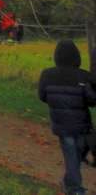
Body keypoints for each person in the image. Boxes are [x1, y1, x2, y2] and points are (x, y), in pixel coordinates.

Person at [39, 39, 96, 194]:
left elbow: (42, 96)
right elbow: (92, 100)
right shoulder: (83, 76)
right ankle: (74, 188)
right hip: (81, 123)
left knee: (72, 154)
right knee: (76, 153)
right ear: (76, 56)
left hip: (61, 123)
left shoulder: (47, 75)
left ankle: (69, 182)